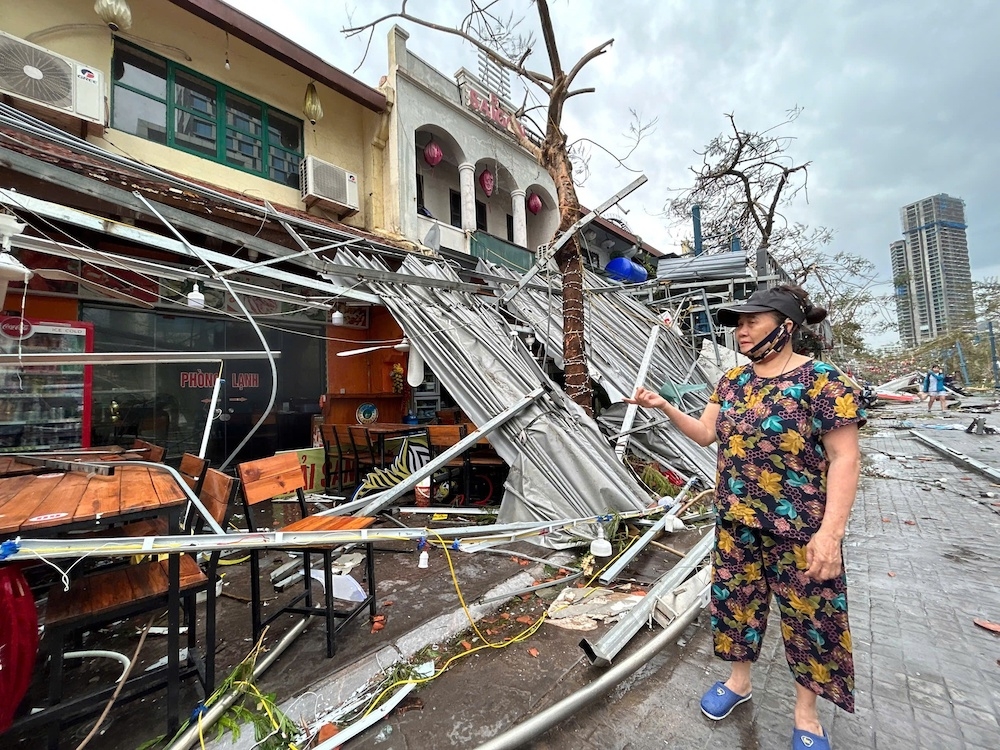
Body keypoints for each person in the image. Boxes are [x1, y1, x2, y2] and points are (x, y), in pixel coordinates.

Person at [625, 284, 866, 750]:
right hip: (736, 525)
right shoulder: (732, 383)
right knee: (736, 609)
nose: (742, 330)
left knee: (810, 620)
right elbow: (705, 434)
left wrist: (831, 534)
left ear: (787, 326)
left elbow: (845, 459)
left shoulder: (824, 383)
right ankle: (738, 683)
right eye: (738, 323)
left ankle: (806, 714)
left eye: (752, 320)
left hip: (800, 530)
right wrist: (665, 406)